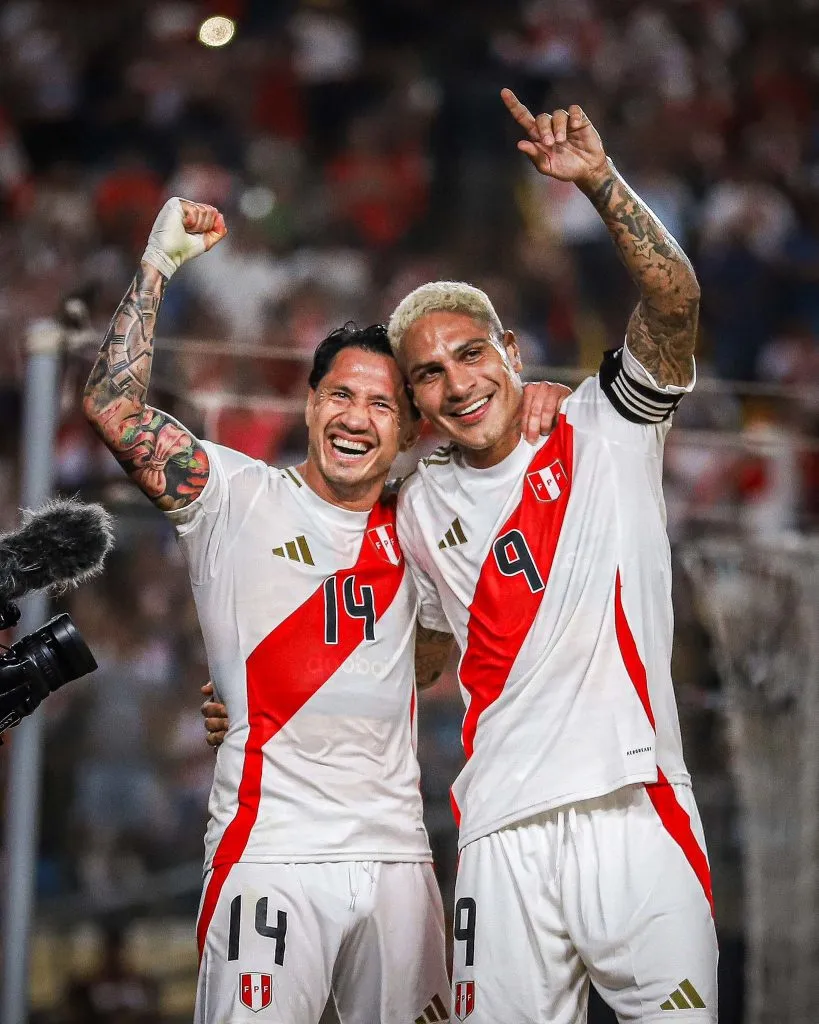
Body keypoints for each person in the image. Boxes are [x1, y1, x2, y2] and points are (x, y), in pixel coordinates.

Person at [82, 196, 567, 1024]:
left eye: (382, 406)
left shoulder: (423, 521)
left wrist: (540, 397)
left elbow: (426, 651)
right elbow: (112, 410)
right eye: (340, 396)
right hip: (270, 855)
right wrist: (158, 264)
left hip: (398, 863)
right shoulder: (232, 495)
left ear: (408, 432)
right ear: (309, 405)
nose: (356, 419)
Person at [382, 89, 718, 1024]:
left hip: (636, 806)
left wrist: (599, 183)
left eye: (470, 354)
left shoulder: (602, 420)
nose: (457, 381)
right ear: (415, 402)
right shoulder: (413, 510)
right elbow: (423, 652)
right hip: (498, 835)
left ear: (510, 352)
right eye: (429, 373)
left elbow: (676, 300)